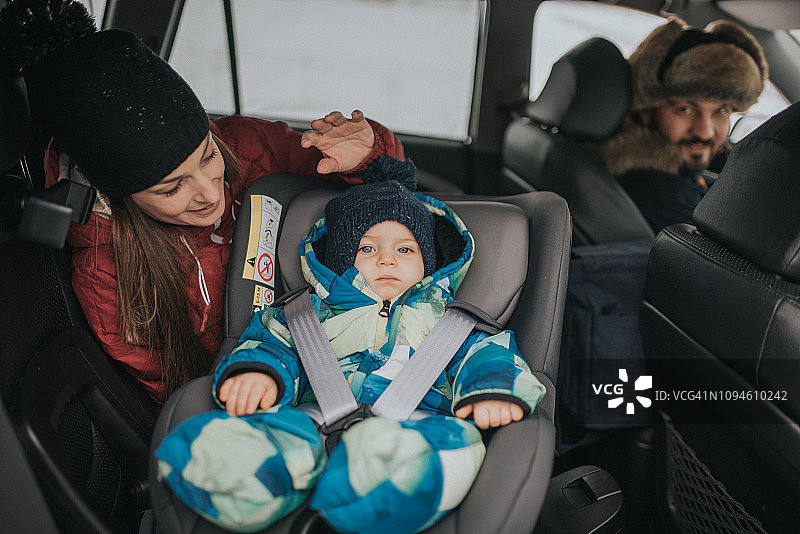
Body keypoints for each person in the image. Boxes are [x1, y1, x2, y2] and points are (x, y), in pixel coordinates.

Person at [0, 0, 404, 405]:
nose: (210, 193)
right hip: (261, 392)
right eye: (171, 188)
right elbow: (179, 396)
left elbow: (391, 207)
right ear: (120, 194)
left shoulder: (247, 145)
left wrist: (369, 155)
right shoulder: (108, 277)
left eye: (208, 156)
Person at [155, 156, 546, 533]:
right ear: (342, 258)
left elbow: (489, 355)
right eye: (367, 249)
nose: (387, 260)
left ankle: (383, 482)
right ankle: (233, 471)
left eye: (405, 249)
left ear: (428, 261)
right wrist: (258, 372)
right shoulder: (305, 316)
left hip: (417, 429)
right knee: (264, 438)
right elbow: (270, 344)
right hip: (313, 422)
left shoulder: (449, 323)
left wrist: (491, 390)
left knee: (443, 452)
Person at [592, 17, 768, 232]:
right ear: (647, 110)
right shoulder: (661, 194)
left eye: (721, 111)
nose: (705, 131)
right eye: (685, 109)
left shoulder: (675, 171)